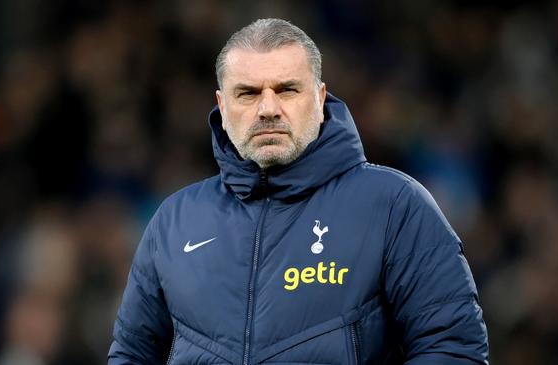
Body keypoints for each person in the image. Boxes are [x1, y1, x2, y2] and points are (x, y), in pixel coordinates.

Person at [107, 18, 489, 365]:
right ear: (222, 106)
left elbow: (452, 349)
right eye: (248, 93)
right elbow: (131, 355)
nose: (268, 108)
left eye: (287, 90)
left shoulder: (395, 205)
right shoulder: (174, 221)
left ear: (320, 99)